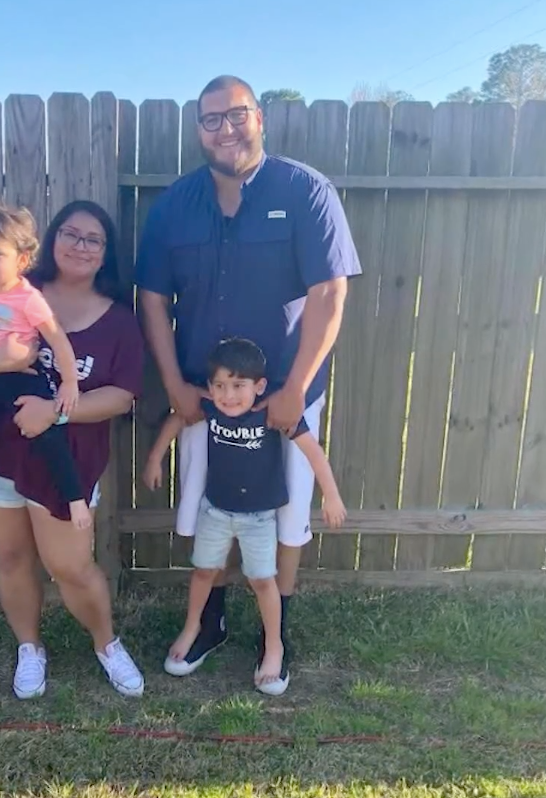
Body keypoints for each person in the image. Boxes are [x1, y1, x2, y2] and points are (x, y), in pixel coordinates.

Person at [135, 75, 362, 688]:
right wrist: (177, 389)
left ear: (258, 117)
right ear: (198, 130)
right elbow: (152, 298)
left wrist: (294, 390)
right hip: (203, 404)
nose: (224, 129)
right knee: (204, 514)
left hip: (284, 404)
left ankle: (275, 635)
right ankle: (208, 625)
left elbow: (330, 292)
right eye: (210, 120)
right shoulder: (175, 205)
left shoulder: (305, 190)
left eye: (235, 115)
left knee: (284, 522)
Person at [0, 199, 146, 700]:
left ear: (106, 253)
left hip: (68, 465)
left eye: (93, 239)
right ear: (49, 241)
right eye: (71, 234)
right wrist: (10, 356)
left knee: (70, 567)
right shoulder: (12, 291)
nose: (80, 246)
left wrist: (55, 411)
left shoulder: (119, 321)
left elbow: (121, 396)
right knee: (13, 557)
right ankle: (30, 648)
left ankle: (106, 644)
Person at [143, 338, 345, 695]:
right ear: (210, 388)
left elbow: (313, 452)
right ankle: (192, 627)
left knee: (263, 580)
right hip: (215, 511)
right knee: (204, 570)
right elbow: (177, 421)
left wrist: (330, 495)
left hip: (258, 519)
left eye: (238, 386)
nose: (229, 395)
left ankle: (273, 644)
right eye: (220, 386)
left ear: (259, 386)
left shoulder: (270, 413)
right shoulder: (211, 409)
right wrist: (155, 458)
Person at [0, 200, 92, 538]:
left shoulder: (27, 298)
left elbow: (58, 340)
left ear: (21, 261)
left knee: (49, 437)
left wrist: (70, 383)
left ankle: (75, 498)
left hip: (22, 379)